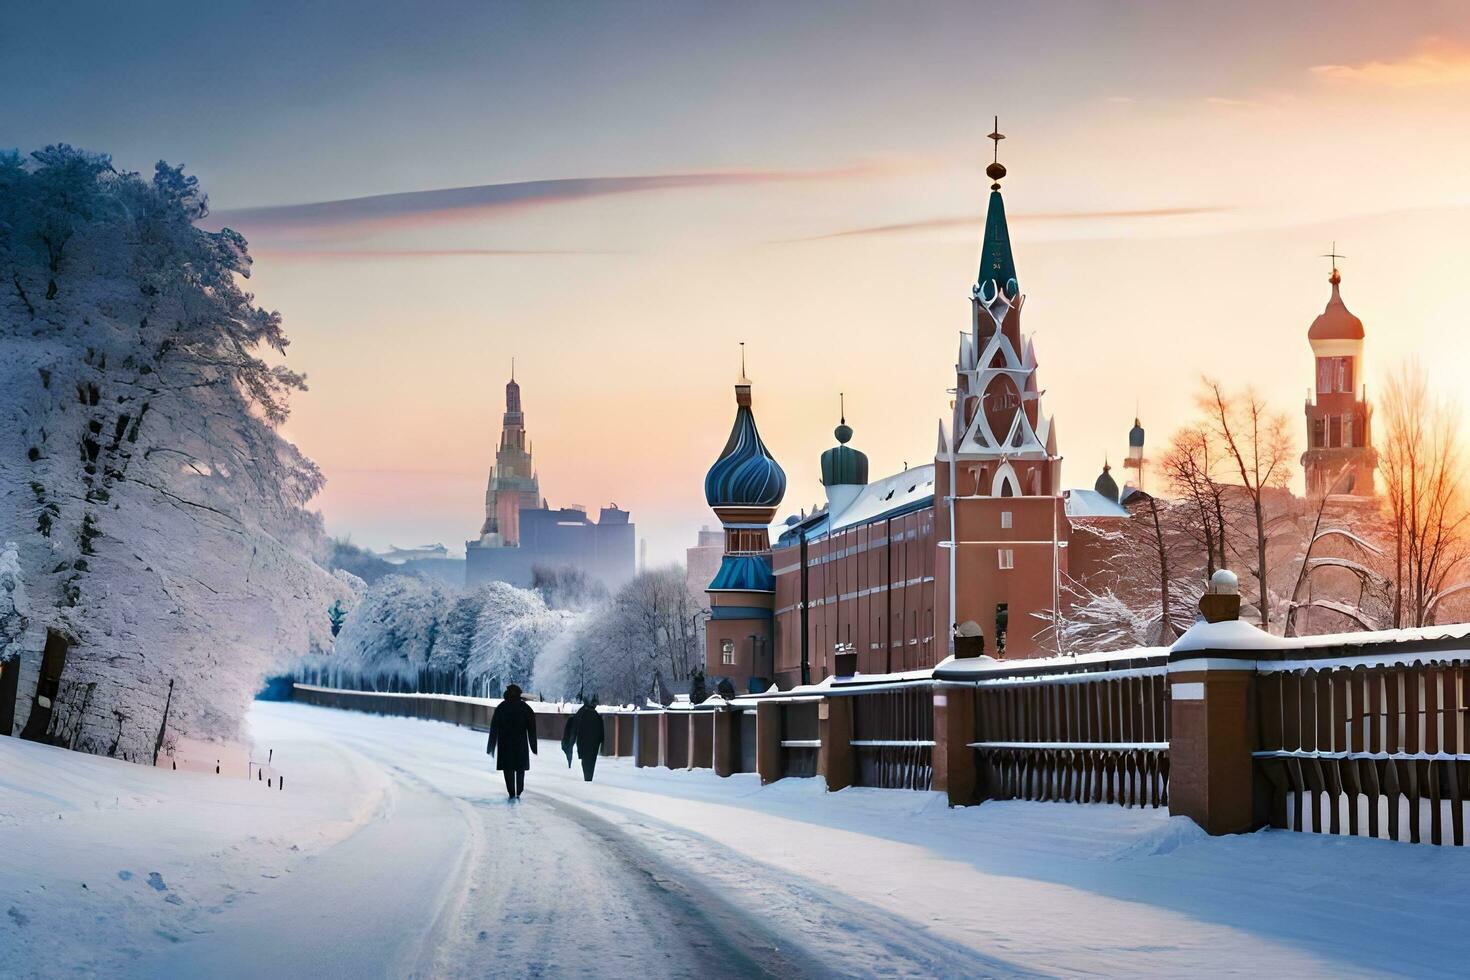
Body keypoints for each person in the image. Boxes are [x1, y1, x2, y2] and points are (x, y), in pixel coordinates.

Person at [487, 684, 537, 799]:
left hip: (505, 745)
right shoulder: (525, 708)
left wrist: (491, 745)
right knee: (520, 769)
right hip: (521, 745)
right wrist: (533, 746)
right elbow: (532, 728)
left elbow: (494, 728)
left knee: (508, 769)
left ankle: (511, 792)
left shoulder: (501, 707)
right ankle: (519, 791)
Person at [560, 696, 605, 782]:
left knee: (586, 763)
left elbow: (574, 730)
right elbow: (601, 732)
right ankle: (588, 778)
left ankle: (588, 778)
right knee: (590, 762)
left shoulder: (582, 713)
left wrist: (570, 744)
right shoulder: (595, 715)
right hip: (593, 744)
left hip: (584, 743)